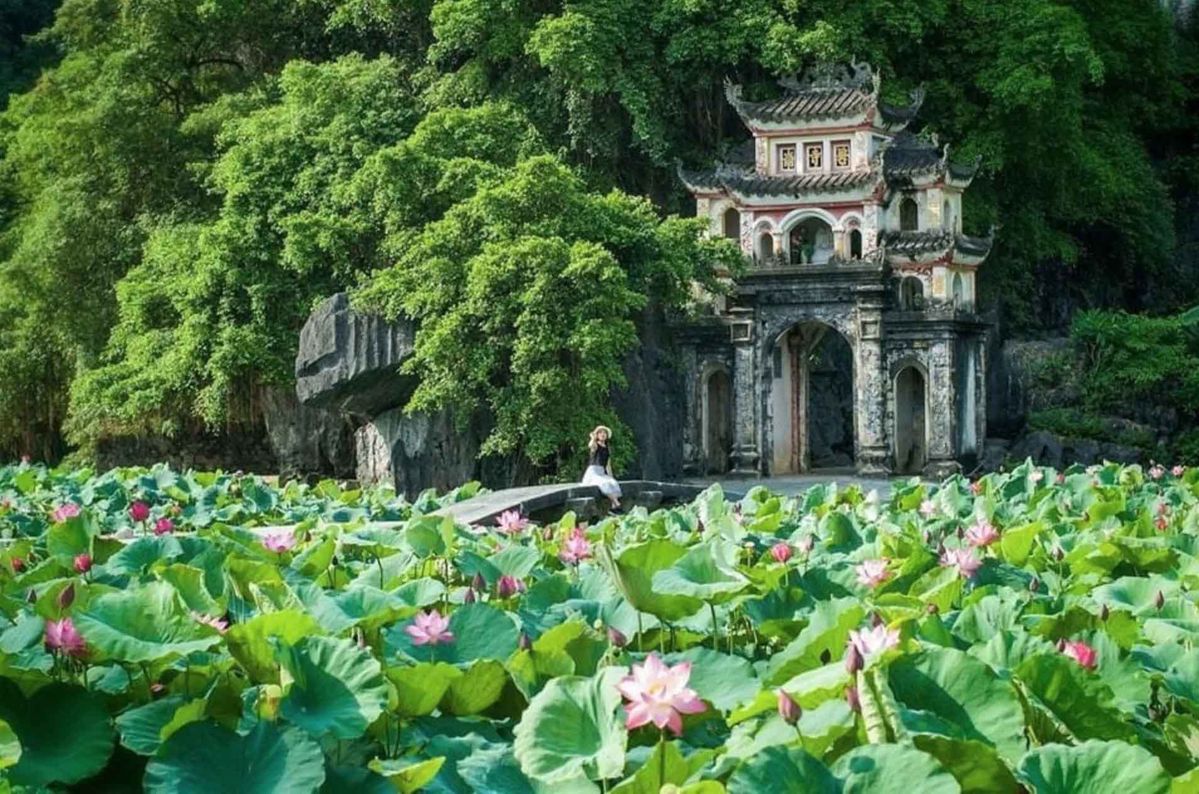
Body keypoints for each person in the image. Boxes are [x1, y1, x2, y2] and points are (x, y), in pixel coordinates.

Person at [583, 425, 622, 512]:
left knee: (613, 483)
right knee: (604, 483)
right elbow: (591, 446)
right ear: (597, 435)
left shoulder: (608, 448)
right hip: (593, 472)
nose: (602, 434)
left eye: (604, 433)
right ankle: (617, 503)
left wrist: (611, 476)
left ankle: (613, 507)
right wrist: (592, 438)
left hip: (602, 472)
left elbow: (608, 465)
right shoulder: (595, 445)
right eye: (600, 432)